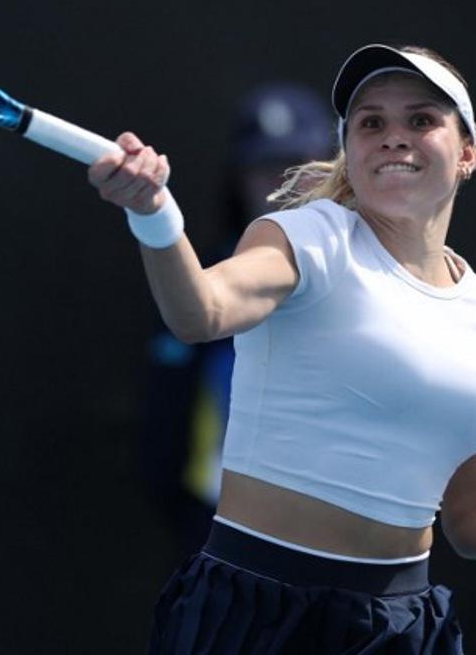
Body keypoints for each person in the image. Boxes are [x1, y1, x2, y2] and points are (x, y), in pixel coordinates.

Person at [89, 44, 476, 653]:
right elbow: (201, 312)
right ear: (351, 149)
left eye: (421, 120)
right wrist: (156, 215)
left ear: (468, 151)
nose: (394, 137)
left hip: (400, 628)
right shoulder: (306, 237)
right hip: (255, 614)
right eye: (372, 123)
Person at [139, 84, 334, 562]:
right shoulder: (202, 275)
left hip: (344, 536)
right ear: (238, 180)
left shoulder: (381, 276)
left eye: (299, 169)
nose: (282, 186)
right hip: (222, 531)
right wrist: (149, 211)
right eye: (265, 169)